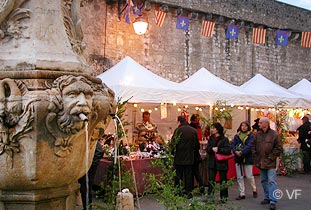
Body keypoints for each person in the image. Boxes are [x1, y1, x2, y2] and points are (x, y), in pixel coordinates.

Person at [251, 117, 283, 210]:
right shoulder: (258, 134)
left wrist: (271, 157)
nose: (259, 124)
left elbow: (278, 148)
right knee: (264, 181)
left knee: (272, 181)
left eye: (261, 123)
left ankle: (273, 200)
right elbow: (253, 145)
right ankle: (267, 197)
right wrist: (255, 155)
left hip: (270, 162)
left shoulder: (274, 134)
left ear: (266, 123)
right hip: (261, 161)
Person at [171, 116, 198, 198]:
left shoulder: (178, 130)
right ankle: (189, 192)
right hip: (190, 157)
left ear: (179, 122)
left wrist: (172, 152)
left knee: (178, 175)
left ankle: (178, 191)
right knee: (188, 176)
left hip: (179, 157)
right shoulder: (193, 130)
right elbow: (197, 145)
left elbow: (173, 143)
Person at [231, 121, 257, 200]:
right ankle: (242, 193)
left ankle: (254, 189)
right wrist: (235, 151)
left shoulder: (251, 136)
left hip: (247, 158)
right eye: (242, 125)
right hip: (238, 158)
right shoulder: (237, 136)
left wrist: (242, 152)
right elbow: (232, 144)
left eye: (245, 126)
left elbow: (250, 145)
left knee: (249, 176)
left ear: (248, 127)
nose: (243, 127)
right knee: (239, 176)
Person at [206, 122, 231, 203]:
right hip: (212, 162)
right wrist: (211, 149)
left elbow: (228, 151)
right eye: (212, 128)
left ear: (218, 129)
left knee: (223, 180)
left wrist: (219, 150)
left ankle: (224, 197)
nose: (212, 130)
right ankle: (210, 197)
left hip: (222, 163)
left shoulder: (224, 139)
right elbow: (208, 149)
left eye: (213, 128)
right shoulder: (211, 138)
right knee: (211, 180)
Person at [78, 139, 104, 210]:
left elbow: (99, 152)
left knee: (86, 188)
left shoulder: (94, 141)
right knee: (84, 188)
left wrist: (91, 164)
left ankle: (87, 207)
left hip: (88, 168)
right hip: (85, 167)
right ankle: (86, 207)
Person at [189, 114, 205, 194]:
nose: (199, 121)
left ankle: (193, 188)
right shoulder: (194, 128)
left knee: (193, 172)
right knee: (196, 172)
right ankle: (200, 187)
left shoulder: (194, 128)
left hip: (192, 156)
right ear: (194, 119)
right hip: (195, 155)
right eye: (198, 119)